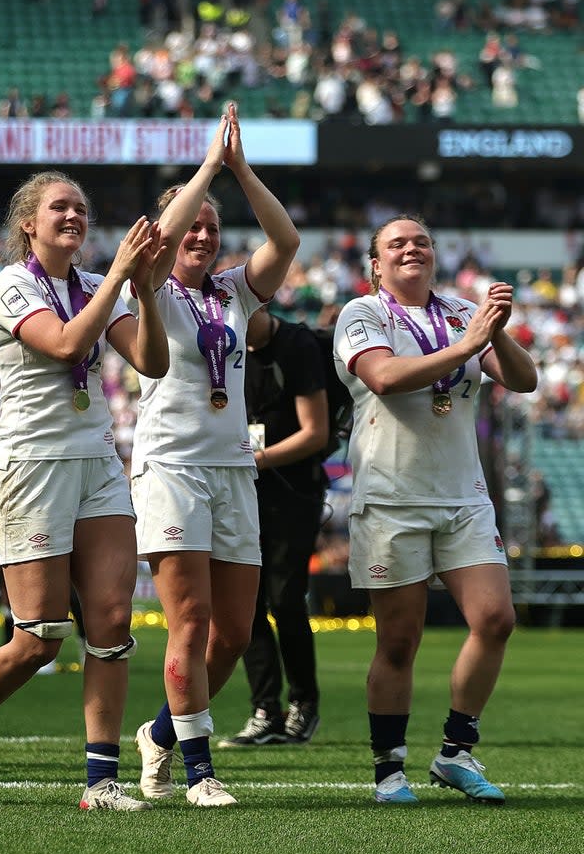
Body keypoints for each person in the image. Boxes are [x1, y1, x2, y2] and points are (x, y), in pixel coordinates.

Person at [0, 172, 170, 811]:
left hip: (96, 460)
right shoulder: (11, 284)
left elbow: (153, 362)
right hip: (33, 467)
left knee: (113, 622)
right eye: (59, 207)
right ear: (27, 224)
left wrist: (142, 292)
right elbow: (65, 343)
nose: (74, 215)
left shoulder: (94, 285)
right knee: (39, 638)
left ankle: (101, 783)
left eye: (81, 207)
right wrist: (119, 277)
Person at [332, 214, 537, 804]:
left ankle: (455, 752)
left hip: (463, 496)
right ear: (376, 263)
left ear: (434, 254)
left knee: (496, 619)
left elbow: (523, 379)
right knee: (399, 641)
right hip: (392, 497)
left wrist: (493, 332)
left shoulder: (457, 313)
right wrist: (467, 344)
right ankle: (389, 771)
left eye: (420, 241)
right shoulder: (361, 314)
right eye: (395, 244)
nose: (410, 249)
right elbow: (386, 378)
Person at [131, 102, 300, 806]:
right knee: (190, 621)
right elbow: (164, 238)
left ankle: (162, 733)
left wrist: (239, 169)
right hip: (171, 466)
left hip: (232, 469)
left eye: (211, 227)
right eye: (192, 225)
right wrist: (205, 168)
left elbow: (285, 241)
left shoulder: (231, 289)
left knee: (233, 633)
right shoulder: (146, 282)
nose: (201, 234)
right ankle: (199, 771)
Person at [220, 308, 327, 747]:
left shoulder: (296, 345)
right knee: (246, 603)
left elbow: (316, 432)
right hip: (243, 487)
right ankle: (265, 709)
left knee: (285, 599)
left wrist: (256, 458)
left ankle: (304, 703)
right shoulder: (226, 347)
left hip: (293, 492)